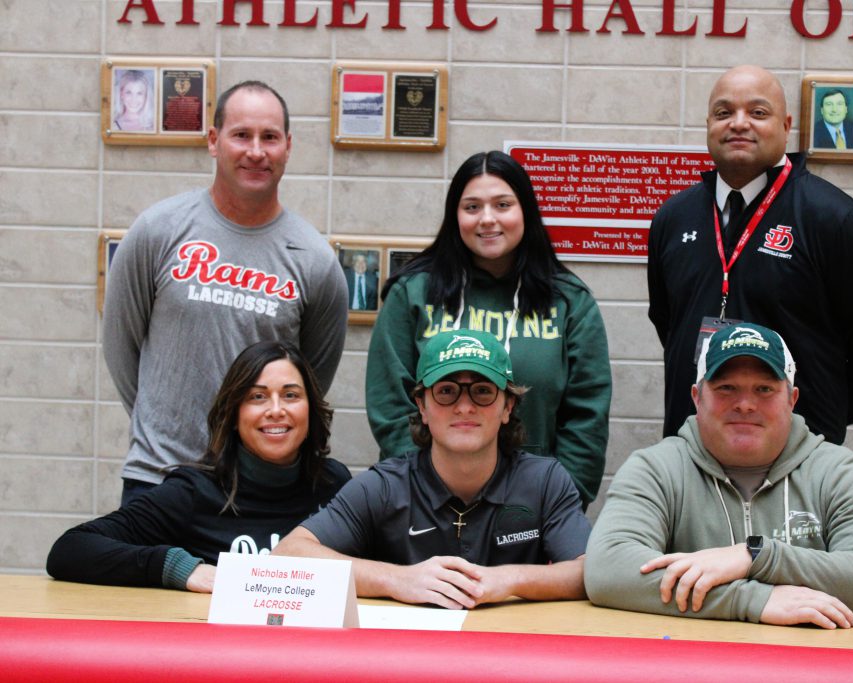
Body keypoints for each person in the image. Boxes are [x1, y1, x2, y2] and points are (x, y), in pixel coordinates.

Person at [103, 80, 348, 506]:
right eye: (242, 135)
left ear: (288, 146)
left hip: (260, 488)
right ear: (214, 141)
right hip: (159, 478)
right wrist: (160, 428)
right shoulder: (157, 231)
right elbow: (120, 346)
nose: (256, 151)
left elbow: (310, 379)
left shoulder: (314, 260)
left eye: (269, 137)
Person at [647, 65, 853, 445]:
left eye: (757, 112)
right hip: (692, 456)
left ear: (786, 126)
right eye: (724, 113)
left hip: (797, 463)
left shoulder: (836, 221)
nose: (738, 124)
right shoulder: (672, 218)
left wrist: (819, 416)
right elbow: (669, 324)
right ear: (708, 124)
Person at [585, 322, 853, 629]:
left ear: (792, 399)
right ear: (697, 398)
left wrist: (755, 557)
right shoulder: (656, 469)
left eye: (764, 389)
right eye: (726, 387)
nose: (745, 404)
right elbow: (609, 570)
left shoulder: (839, 472)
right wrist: (753, 599)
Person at [273, 329, 590, 610]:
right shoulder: (385, 486)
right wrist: (398, 580)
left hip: (511, 655)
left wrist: (508, 579)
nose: (464, 406)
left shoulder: (545, 481)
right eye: (446, 391)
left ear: (507, 406)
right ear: (422, 406)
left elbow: (588, 571)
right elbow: (289, 554)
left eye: (482, 390)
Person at [365, 150, 611, 506]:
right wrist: (425, 491)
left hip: (534, 505)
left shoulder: (570, 301)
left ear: (525, 210)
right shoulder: (413, 293)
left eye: (502, 205)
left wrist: (560, 503)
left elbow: (587, 417)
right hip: (426, 499)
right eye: (472, 207)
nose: (487, 219)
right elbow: (390, 406)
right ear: (455, 216)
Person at [47, 341, 351, 592]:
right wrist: (179, 568)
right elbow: (70, 550)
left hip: (311, 656)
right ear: (233, 415)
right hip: (221, 657)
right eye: (257, 397)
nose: (276, 410)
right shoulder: (194, 492)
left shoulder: (334, 484)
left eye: (290, 395)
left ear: (310, 408)